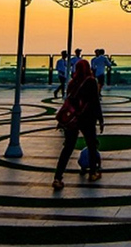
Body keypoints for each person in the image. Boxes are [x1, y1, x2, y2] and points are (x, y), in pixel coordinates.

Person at [52, 59, 104, 189]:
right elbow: (95, 102)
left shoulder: (72, 82)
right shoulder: (91, 81)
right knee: (91, 145)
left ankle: (58, 178)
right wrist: (100, 119)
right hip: (87, 119)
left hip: (73, 120)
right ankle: (92, 173)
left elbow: (68, 101)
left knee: (68, 148)